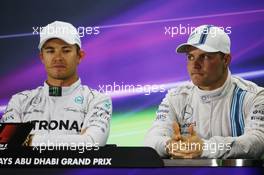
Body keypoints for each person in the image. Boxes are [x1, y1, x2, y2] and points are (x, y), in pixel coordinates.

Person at [144, 25, 264, 159]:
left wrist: (205, 147)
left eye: (205, 57)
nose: (195, 65)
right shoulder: (175, 97)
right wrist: (170, 145)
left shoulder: (254, 96)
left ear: (225, 60)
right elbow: (151, 140)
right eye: (190, 57)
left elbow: (257, 142)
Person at [0, 21, 112, 147]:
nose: (58, 57)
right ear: (42, 57)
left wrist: (27, 140)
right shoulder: (19, 101)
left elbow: (92, 143)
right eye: (50, 51)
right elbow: (5, 143)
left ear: (79, 56)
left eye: (66, 50)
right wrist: (78, 140)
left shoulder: (97, 100)